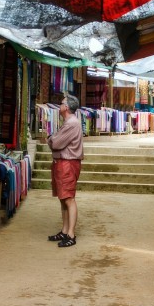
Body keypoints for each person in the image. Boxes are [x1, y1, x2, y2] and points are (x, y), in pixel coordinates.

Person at [46, 93, 84, 248]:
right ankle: (64, 230)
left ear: (66, 107)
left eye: (61, 103)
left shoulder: (71, 123)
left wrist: (50, 139)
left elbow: (55, 143)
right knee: (63, 198)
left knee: (68, 198)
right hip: (63, 162)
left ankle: (70, 234)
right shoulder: (69, 122)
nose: (59, 105)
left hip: (67, 163)